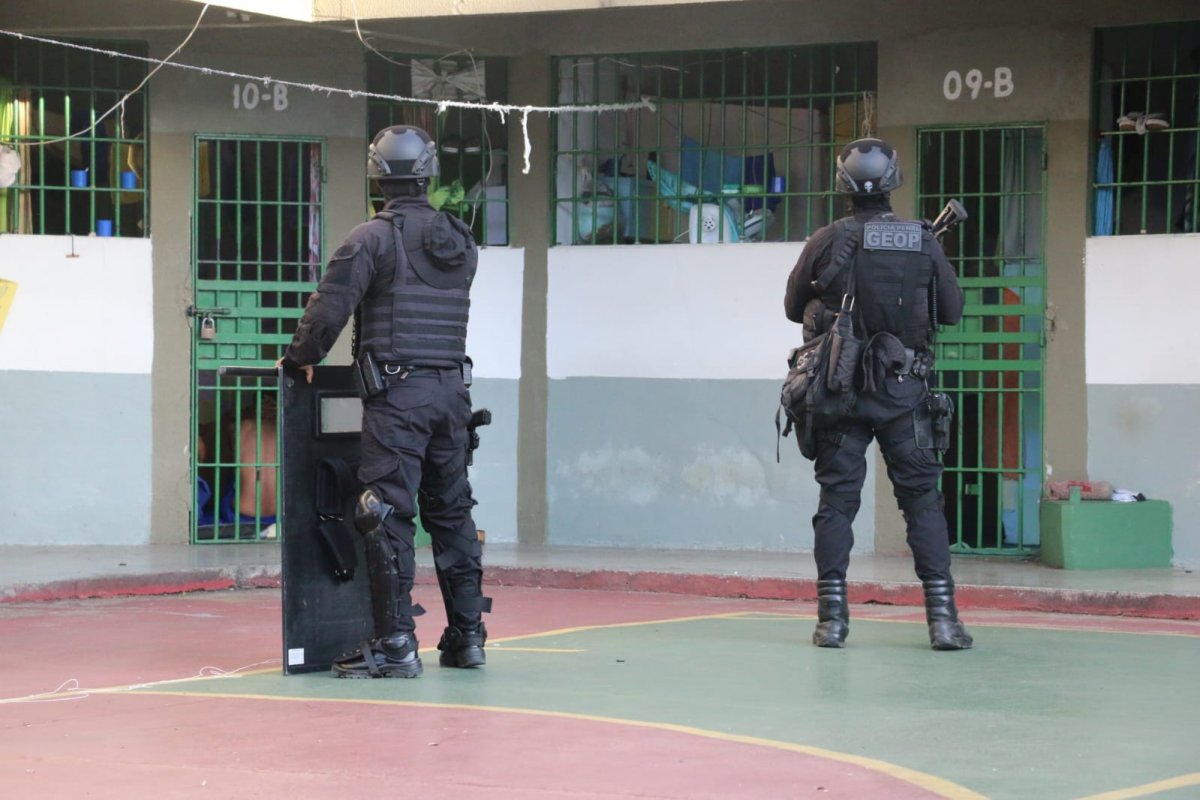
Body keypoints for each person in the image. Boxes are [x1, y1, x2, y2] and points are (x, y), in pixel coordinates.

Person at [278, 125, 489, 678]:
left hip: (399, 397)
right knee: (452, 514)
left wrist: (300, 355)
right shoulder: (461, 241)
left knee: (385, 514)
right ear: (428, 174)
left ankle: (397, 643)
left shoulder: (371, 238)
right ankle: (468, 638)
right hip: (453, 394)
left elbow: (329, 309)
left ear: (377, 175)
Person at [784, 138, 973, 651]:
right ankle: (943, 621)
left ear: (842, 186)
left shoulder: (825, 240)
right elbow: (953, 311)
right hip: (903, 392)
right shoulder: (922, 239)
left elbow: (790, 305)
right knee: (921, 503)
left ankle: (832, 621)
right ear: (893, 182)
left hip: (838, 391)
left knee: (837, 503)